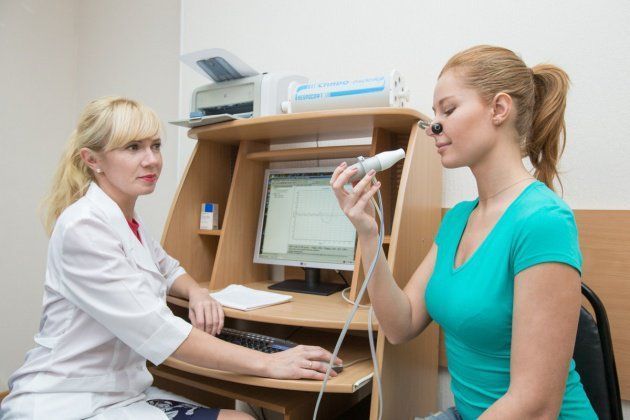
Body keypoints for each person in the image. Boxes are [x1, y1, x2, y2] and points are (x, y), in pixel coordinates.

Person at [0, 97, 341, 420]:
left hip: (118, 390)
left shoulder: (125, 219)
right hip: (68, 400)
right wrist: (269, 363)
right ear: (92, 160)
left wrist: (197, 293)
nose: (151, 160)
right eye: (133, 147)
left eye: (155, 145)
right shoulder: (84, 227)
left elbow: (167, 268)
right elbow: (159, 330)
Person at [331, 45, 596, 419]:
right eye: (434, 113)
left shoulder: (543, 221)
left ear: (499, 109)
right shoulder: (457, 220)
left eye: (448, 110)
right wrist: (368, 235)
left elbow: (536, 405)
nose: (433, 127)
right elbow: (399, 325)